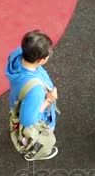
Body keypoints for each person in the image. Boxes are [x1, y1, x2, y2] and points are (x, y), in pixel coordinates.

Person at [5, 30, 59, 161]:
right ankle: (34, 151)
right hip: (36, 112)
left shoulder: (16, 55)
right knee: (34, 134)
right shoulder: (35, 91)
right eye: (48, 54)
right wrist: (48, 100)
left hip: (18, 99)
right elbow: (28, 120)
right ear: (40, 60)